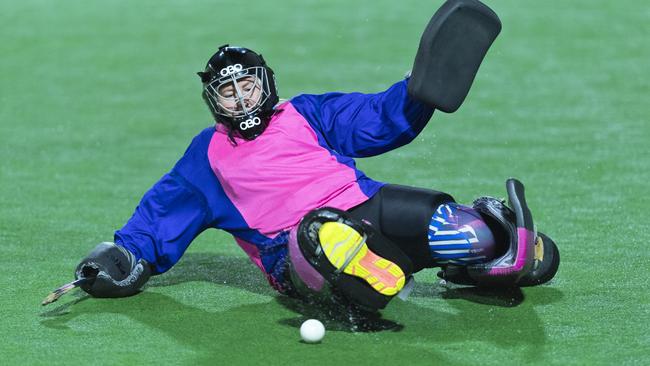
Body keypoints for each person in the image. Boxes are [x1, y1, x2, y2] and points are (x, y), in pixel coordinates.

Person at [73, 0, 559, 328]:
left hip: (366, 205)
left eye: (248, 86)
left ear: (266, 83)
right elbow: (162, 217)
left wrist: (417, 91)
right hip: (295, 248)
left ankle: (481, 254)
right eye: (228, 91)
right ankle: (361, 269)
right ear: (213, 100)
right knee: (322, 236)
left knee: (469, 232)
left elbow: (375, 120)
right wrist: (123, 258)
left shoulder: (306, 113)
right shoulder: (207, 158)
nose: (241, 99)